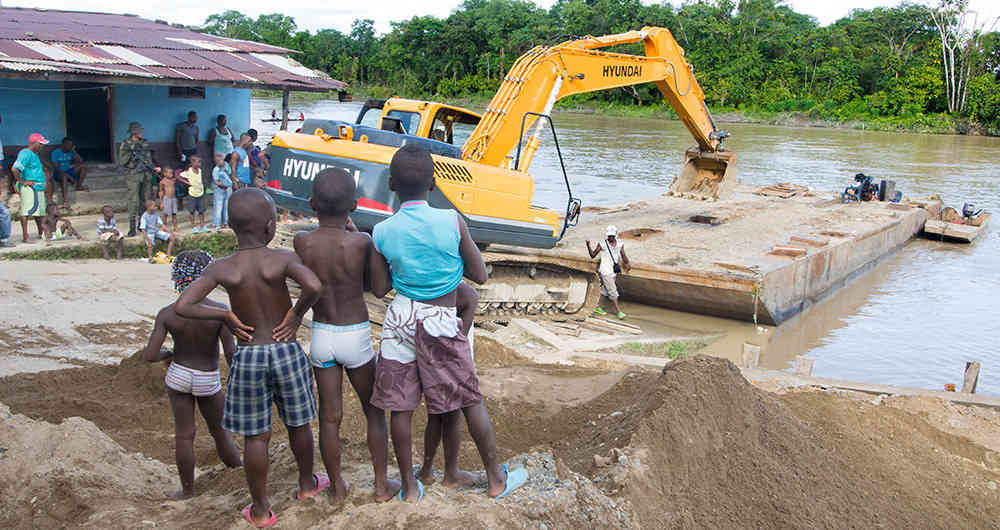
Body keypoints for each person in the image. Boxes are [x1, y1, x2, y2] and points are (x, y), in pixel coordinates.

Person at [369, 144, 528, 502]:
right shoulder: (452, 221)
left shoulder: (381, 231)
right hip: (440, 319)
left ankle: (410, 487)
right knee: (469, 400)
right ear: (434, 183)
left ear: (392, 184)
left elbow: (380, 288)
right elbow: (480, 275)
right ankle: (495, 479)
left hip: (401, 319)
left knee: (401, 405)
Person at [174, 188, 324, 528]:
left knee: (256, 437)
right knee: (298, 423)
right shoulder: (282, 259)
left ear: (230, 225)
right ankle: (306, 485)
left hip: (249, 354)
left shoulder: (223, 268)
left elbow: (184, 305)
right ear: (271, 226)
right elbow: (314, 285)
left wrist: (225, 316)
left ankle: (259, 510)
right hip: (284, 348)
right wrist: (297, 314)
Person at [293, 168, 401, 503]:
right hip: (355, 335)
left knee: (329, 417)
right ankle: (382, 485)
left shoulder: (302, 241)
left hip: (321, 333)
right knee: (373, 412)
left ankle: (337, 488)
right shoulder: (361, 242)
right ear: (354, 205)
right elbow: (376, 287)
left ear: (311, 204)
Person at [143, 250, 243, 499]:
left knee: (184, 434)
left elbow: (149, 355)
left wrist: (168, 355)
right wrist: (239, 379)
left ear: (177, 276)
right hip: (207, 378)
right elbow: (230, 353)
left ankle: (187, 490)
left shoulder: (167, 313)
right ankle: (239, 473)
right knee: (219, 431)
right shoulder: (220, 312)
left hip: (178, 375)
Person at [416, 282, 479, 487]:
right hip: (450, 347)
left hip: (430, 342)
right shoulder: (459, 287)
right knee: (452, 414)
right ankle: (450, 474)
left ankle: (426, 471)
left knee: (436, 414)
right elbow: (471, 296)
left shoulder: (427, 281)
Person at [119, 122, 160, 237]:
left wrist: (154, 168)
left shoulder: (144, 142)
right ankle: (132, 227)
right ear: (134, 132)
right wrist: (132, 153)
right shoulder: (126, 144)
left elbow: (149, 159)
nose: (141, 133)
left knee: (145, 199)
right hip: (133, 175)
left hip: (146, 174)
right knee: (133, 200)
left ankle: (141, 224)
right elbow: (122, 161)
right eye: (139, 131)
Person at [586, 225, 632, 319]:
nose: (610, 237)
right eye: (609, 236)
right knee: (613, 291)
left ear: (615, 235)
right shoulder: (602, 244)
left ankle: (597, 307)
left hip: (613, 271)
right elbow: (592, 255)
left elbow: (623, 255)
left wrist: (627, 264)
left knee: (605, 290)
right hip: (605, 271)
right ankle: (618, 312)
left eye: (612, 236)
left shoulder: (620, 244)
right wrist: (588, 246)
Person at [11, 133, 51, 242]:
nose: (42, 146)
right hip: (30, 188)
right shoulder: (25, 153)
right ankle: (25, 236)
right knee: (27, 211)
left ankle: (41, 232)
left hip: (38, 187)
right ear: (35, 143)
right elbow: (15, 169)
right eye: (41, 144)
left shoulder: (35, 155)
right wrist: (22, 181)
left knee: (39, 212)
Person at [49, 137, 88, 206]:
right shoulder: (55, 152)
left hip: (68, 171)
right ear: (63, 144)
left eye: (71, 145)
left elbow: (80, 161)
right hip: (58, 173)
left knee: (83, 166)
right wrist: (69, 177)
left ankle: (78, 186)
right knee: (64, 177)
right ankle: (65, 201)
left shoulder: (71, 152)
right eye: (68, 145)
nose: (69, 146)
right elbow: (57, 168)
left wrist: (73, 151)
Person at [179, 155, 207, 233]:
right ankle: (193, 226)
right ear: (192, 163)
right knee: (192, 211)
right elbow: (179, 176)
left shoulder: (200, 170)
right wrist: (187, 182)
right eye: (198, 162)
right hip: (192, 194)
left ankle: (202, 225)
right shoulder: (189, 171)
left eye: (200, 162)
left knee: (201, 211)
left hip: (200, 193)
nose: (199, 164)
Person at [212, 153, 233, 229]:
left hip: (227, 188)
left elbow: (229, 173)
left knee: (226, 206)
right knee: (218, 206)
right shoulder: (216, 169)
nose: (221, 162)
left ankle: (225, 222)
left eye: (221, 160)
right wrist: (224, 186)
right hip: (219, 189)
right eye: (219, 161)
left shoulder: (226, 165)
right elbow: (216, 181)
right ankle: (216, 224)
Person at [159, 166, 180, 233]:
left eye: (172, 173)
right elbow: (161, 192)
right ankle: (164, 227)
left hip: (173, 198)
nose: (171, 174)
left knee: (174, 214)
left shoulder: (173, 180)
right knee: (165, 214)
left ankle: (175, 227)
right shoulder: (162, 182)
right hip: (166, 199)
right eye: (169, 173)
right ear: (164, 174)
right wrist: (161, 202)